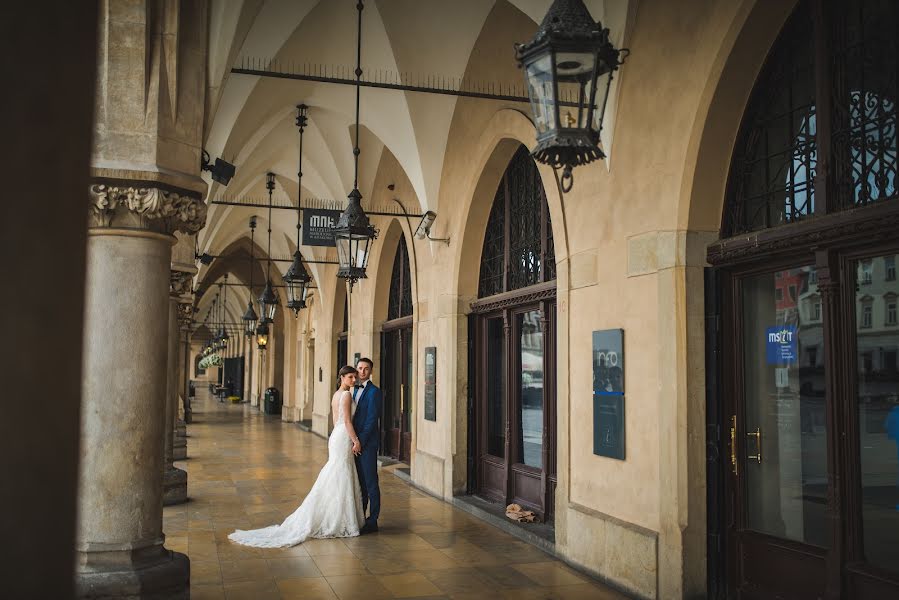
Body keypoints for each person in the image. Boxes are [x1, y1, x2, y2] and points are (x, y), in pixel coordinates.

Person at [227, 366, 365, 547]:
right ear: (342, 378)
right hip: (344, 435)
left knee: (337, 472)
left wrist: (339, 436)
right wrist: (355, 440)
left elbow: (336, 421)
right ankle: (338, 519)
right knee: (340, 473)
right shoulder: (346, 395)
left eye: (355, 377)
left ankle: (336, 515)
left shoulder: (336, 394)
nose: (354, 380)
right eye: (350, 377)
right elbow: (347, 420)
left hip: (336, 435)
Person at [352, 357, 382, 533]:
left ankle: (373, 520)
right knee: (359, 483)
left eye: (366, 369)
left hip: (367, 444)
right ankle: (361, 517)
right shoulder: (351, 389)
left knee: (371, 483)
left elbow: (371, 420)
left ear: (371, 371)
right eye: (360, 368)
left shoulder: (374, 392)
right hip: (354, 443)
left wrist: (360, 442)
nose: (362, 371)